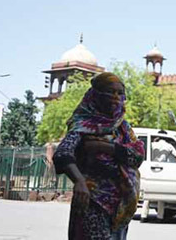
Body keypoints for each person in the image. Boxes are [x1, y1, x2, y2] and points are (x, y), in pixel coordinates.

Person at [53, 73, 145, 240]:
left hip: (121, 207)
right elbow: (62, 154)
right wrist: (79, 181)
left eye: (120, 93)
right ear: (96, 94)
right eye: (110, 92)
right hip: (93, 202)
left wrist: (103, 147)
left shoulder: (122, 127)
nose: (116, 97)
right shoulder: (82, 124)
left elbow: (138, 156)